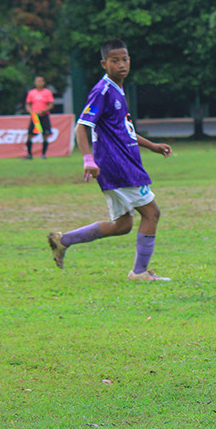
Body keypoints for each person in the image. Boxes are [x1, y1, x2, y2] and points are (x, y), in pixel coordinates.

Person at [47, 39, 173, 281]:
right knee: (151, 213)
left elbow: (123, 130)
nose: (121, 64)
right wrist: (88, 159)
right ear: (104, 64)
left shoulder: (117, 89)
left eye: (124, 59)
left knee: (123, 225)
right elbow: (81, 127)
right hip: (118, 165)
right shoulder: (103, 90)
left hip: (121, 163)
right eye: (115, 61)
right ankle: (139, 272)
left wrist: (152, 146)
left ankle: (63, 240)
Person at [23, 76, 54, 159]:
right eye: (37, 81)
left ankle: (43, 154)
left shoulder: (47, 92)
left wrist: (43, 111)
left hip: (44, 116)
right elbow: (28, 104)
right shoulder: (31, 93)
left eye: (41, 81)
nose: (39, 83)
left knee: (45, 135)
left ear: (43, 83)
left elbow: (51, 104)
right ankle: (29, 154)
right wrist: (31, 111)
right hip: (35, 117)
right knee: (30, 134)